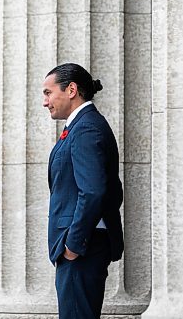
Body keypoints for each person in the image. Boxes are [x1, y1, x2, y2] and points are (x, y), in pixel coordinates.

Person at [43, 63, 124, 319]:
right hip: (82, 247)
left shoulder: (86, 128)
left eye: (48, 92)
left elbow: (93, 191)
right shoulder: (81, 126)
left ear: (71, 90)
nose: (45, 102)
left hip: (82, 248)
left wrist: (73, 245)